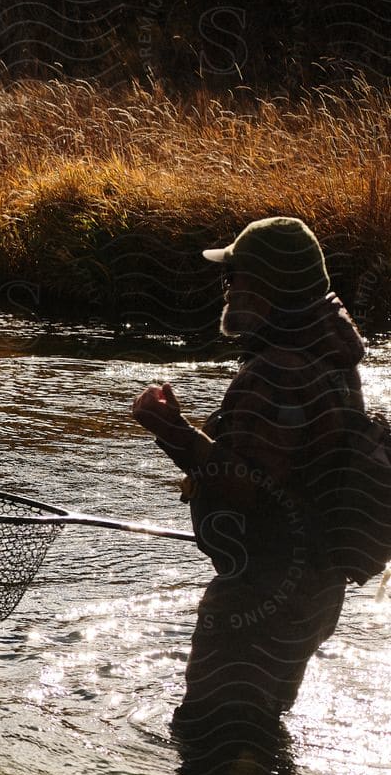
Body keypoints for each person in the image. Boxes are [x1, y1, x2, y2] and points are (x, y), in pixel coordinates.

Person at [132, 216, 368, 743]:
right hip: (315, 591)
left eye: (235, 276)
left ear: (266, 287)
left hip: (261, 595)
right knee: (256, 736)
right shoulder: (333, 359)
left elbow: (247, 487)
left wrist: (171, 430)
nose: (227, 287)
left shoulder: (279, 370)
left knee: (209, 737)